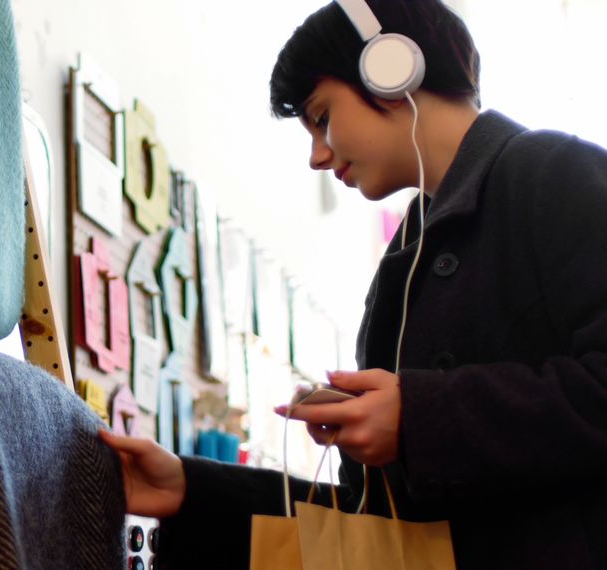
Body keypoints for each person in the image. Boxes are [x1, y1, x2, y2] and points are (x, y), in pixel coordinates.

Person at [100, 0, 607, 568]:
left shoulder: (555, 172)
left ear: (391, 70)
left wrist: (419, 418)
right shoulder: (407, 258)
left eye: (321, 117)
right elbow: (378, 529)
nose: (317, 156)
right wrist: (191, 489)